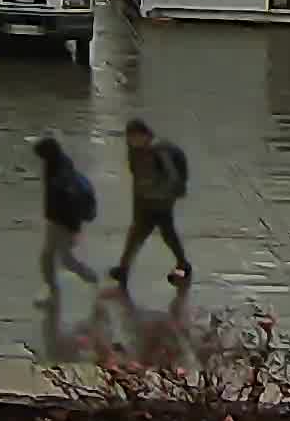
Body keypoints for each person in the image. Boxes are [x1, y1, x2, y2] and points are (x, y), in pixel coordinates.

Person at [111, 117, 195, 287]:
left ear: (144, 135)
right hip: (145, 201)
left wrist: (160, 193)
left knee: (166, 234)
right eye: (129, 137)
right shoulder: (134, 152)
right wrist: (138, 201)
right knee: (139, 234)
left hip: (161, 202)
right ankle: (123, 269)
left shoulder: (158, 151)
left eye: (134, 137)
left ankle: (183, 265)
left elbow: (172, 178)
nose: (131, 141)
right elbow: (137, 178)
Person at [34, 135, 102, 293]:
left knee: (63, 259)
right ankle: (52, 289)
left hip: (63, 221)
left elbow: (67, 197)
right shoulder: (57, 163)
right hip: (58, 219)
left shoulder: (60, 170)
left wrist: (73, 226)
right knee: (49, 256)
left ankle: (91, 278)